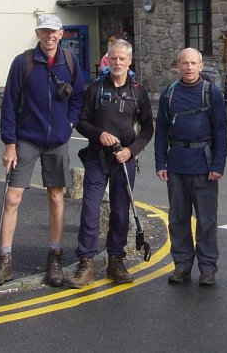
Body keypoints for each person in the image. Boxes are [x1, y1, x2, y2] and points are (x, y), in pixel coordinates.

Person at [0, 13, 85, 288]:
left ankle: (55, 256)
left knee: (56, 197)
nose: (49, 36)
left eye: (53, 32)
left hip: (57, 141)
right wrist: (9, 142)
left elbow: (78, 95)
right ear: (38, 33)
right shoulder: (23, 62)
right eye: (44, 32)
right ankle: (3, 259)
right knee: (13, 198)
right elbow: (9, 103)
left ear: (61, 34)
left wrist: (70, 123)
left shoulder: (69, 61)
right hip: (26, 139)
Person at [66, 39, 153, 287]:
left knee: (120, 212)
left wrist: (131, 150)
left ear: (129, 61)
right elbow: (81, 121)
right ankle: (86, 262)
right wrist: (99, 134)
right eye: (113, 58)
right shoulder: (94, 89)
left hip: (124, 160)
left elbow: (147, 129)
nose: (117, 62)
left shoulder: (138, 91)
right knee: (90, 210)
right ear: (108, 59)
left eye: (121, 59)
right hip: (97, 157)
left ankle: (116, 259)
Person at [154, 47, 227, 286]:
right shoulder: (169, 94)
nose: (188, 67)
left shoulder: (211, 93)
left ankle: (207, 268)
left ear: (200, 66)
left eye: (193, 63)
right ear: (178, 66)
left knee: (206, 221)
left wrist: (218, 165)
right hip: (176, 165)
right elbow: (161, 132)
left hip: (204, 166)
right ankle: (182, 265)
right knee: (177, 219)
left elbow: (221, 131)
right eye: (184, 63)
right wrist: (160, 163)